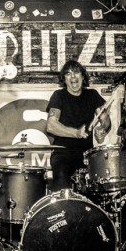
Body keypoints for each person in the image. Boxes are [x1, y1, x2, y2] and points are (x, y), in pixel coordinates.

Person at [46, 60, 112, 191]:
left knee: (95, 187)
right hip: (63, 153)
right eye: (68, 74)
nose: (73, 76)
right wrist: (76, 133)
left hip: (86, 154)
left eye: (76, 72)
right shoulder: (59, 96)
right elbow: (51, 125)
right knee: (62, 181)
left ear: (82, 76)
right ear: (64, 79)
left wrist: (103, 129)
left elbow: (105, 120)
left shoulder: (92, 95)